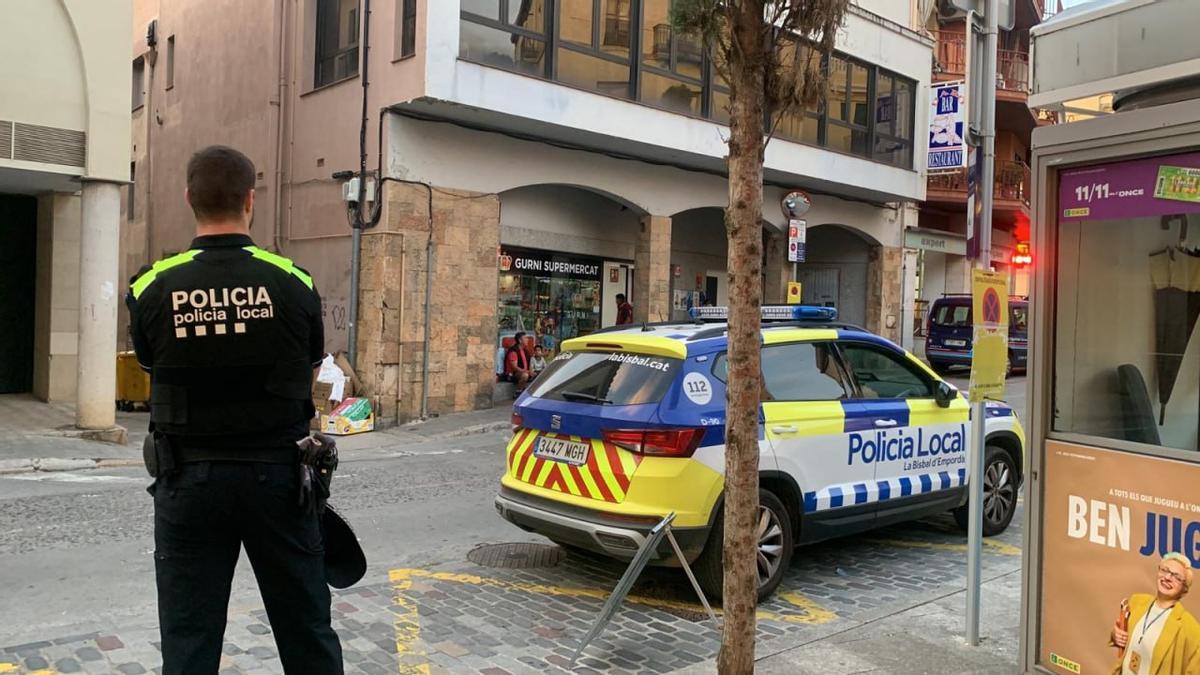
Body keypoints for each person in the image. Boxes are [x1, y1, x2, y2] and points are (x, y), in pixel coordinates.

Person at [126, 146, 343, 674]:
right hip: (280, 479)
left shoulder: (151, 286)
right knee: (306, 628)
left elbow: (155, 368)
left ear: (189, 199)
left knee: (189, 637)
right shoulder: (294, 281)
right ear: (251, 199)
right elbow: (311, 370)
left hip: (188, 478)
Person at [1110, 552, 1200, 675]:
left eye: (1176, 577)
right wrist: (1116, 636)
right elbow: (1124, 640)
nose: (1167, 577)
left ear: (1184, 589)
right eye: (1165, 570)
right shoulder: (1136, 601)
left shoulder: (1191, 629)